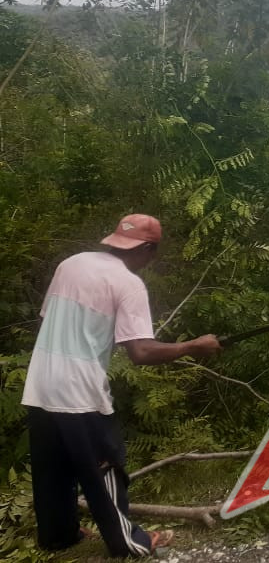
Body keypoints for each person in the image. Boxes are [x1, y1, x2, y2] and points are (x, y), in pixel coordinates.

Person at [21, 214, 221, 558]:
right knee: (106, 468)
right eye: (153, 252)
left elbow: (53, 319)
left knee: (52, 468)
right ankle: (129, 541)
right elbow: (140, 353)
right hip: (79, 393)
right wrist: (194, 347)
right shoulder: (127, 284)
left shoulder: (71, 264)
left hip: (40, 383)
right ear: (146, 248)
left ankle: (58, 536)